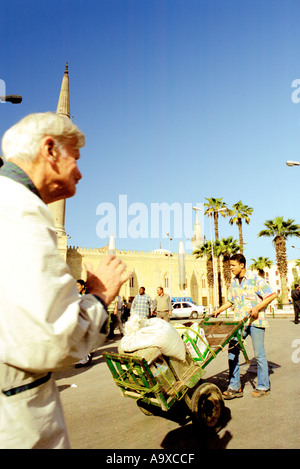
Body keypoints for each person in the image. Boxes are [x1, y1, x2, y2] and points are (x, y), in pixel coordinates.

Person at [0, 112, 131, 449]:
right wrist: (100, 296)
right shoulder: (19, 211)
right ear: (50, 150)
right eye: (76, 157)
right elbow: (54, 341)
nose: (80, 171)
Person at [213, 253, 276, 399]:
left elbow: (271, 295)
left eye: (233, 265)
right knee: (232, 352)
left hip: (256, 322)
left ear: (242, 265)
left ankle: (263, 386)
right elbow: (230, 301)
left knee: (259, 354)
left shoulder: (255, 279)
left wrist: (257, 307)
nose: (231, 268)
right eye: (230, 266)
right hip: (239, 323)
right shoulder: (234, 282)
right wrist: (218, 311)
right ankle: (235, 387)